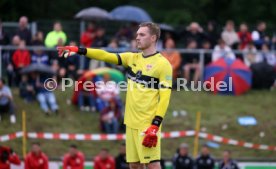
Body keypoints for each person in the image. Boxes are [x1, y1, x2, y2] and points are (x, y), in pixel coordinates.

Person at [57, 22, 172, 169]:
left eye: (142, 34)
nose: (137, 37)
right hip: (130, 122)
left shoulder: (163, 65)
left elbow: (165, 97)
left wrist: (155, 124)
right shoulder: (132, 58)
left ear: (153, 38)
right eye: (137, 34)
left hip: (147, 123)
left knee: (153, 165)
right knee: (134, 165)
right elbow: (105, 55)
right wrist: (79, 50)